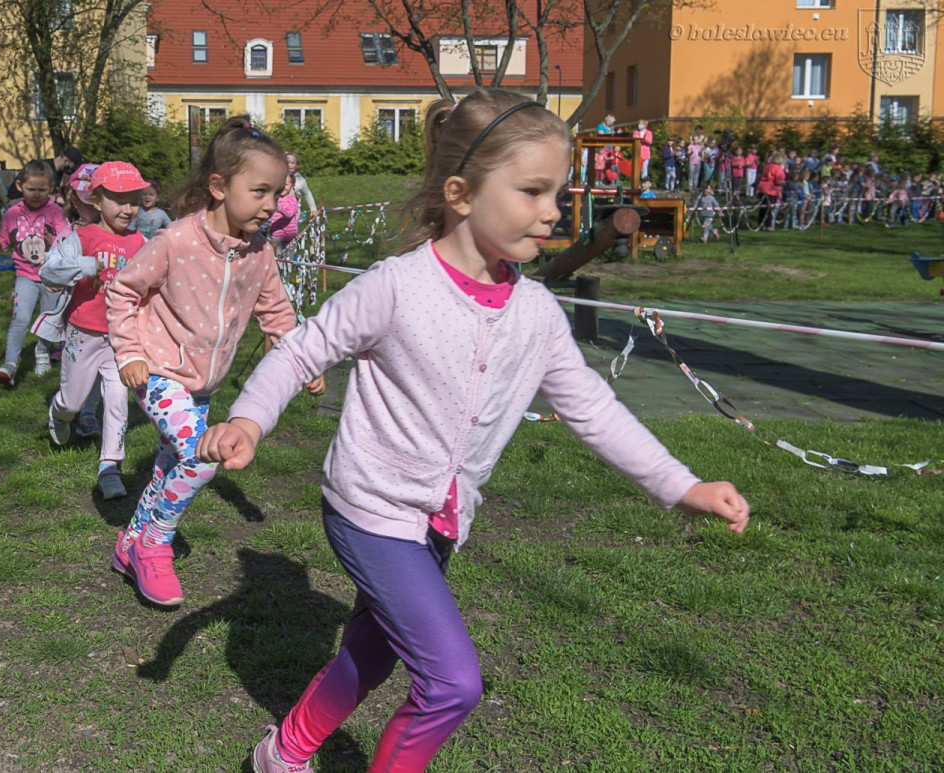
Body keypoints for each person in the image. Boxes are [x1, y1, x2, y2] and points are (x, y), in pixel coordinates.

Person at [196, 89, 750, 773]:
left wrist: (683, 485)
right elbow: (300, 351)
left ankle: (282, 752)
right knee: (452, 682)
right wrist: (249, 418)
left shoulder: (537, 314)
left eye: (558, 193)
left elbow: (594, 410)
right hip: (370, 509)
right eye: (532, 191)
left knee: (370, 651)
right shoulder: (395, 287)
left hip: (439, 523)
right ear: (461, 192)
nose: (553, 211)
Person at [106, 117, 326, 607]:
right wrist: (130, 352)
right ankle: (155, 545)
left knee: (170, 463)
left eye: (278, 193)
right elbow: (123, 289)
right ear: (219, 187)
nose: (271, 205)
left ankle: (129, 544)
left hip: (203, 385)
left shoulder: (260, 252)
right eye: (261, 192)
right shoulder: (176, 240)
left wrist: (304, 363)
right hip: (158, 370)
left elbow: (277, 315)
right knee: (199, 459)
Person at [43, 161, 148, 500]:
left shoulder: (141, 242)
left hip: (121, 338)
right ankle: (58, 412)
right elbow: (49, 271)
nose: (128, 209)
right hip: (83, 334)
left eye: (134, 200)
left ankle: (109, 466)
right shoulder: (81, 237)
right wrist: (86, 266)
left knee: (118, 399)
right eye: (119, 200)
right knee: (73, 402)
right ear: (98, 200)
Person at [35, 162, 104, 440]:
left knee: (102, 367)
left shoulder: (116, 233)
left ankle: (89, 414)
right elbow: (52, 270)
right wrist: (74, 272)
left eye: (100, 199)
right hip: (75, 313)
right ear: (74, 198)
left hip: (106, 315)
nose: (96, 206)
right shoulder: (68, 234)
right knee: (79, 366)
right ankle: (66, 407)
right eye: (90, 200)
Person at [0, 160, 70, 386]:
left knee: (49, 318)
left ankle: (42, 354)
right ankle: (10, 363)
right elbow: (4, 238)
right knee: (20, 317)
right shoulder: (12, 213)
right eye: (31, 189)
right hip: (24, 275)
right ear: (20, 185)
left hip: (51, 276)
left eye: (42, 190)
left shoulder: (55, 211)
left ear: (51, 187)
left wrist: (54, 241)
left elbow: (65, 238)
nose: (36, 194)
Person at [6, 145, 83, 199]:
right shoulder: (41, 168)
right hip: (19, 201)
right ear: (66, 161)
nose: (72, 170)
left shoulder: (58, 173)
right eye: (72, 166)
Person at [268, 172, 301, 251]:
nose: (283, 187)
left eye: (286, 184)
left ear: (292, 186)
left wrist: (278, 207)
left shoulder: (292, 200)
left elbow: (289, 214)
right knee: (276, 260)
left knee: (288, 261)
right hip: (276, 236)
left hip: (290, 237)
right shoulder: (275, 198)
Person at [756, 151, 787, 230]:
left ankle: (761, 224)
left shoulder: (767, 166)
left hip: (762, 187)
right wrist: (784, 182)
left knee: (762, 208)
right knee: (770, 208)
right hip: (771, 189)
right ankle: (768, 225)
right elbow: (778, 181)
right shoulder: (778, 168)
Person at [286, 153, 319, 217]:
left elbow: (307, 194)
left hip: (294, 214)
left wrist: (313, 209)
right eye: (287, 162)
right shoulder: (278, 177)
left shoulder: (300, 180)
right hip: (278, 213)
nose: (289, 165)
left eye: (292, 163)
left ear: (297, 165)